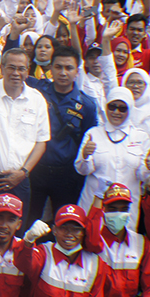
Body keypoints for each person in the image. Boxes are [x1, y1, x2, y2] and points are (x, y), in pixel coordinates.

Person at [0, 19, 50, 230]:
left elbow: (41, 141)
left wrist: (24, 172)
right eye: (11, 67)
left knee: (15, 238)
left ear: (28, 70)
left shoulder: (37, 99)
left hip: (20, 181)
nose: (16, 73)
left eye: (21, 69)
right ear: (2, 68)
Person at [21, 44, 98, 223]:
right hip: (36, 169)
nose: (63, 72)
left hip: (67, 174)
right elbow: (17, 71)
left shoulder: (87, 105)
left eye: (69, 68)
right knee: (29, 219)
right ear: (51, 69)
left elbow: (89, 139)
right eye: (58, 67)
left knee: (64, 221)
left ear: (77, 71)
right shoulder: (37, 91)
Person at [74, 87, 150, 230]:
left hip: (124, 208)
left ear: (130, 109)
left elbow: (143, 176)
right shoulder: (93, 133)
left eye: (122, 108)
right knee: (91, 242)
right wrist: (85, 156)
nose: (116, 112)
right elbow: (82, 170)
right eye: (112, 106)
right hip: (95, 204)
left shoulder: (141, 137)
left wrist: (149, 168)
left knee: (123, 246)